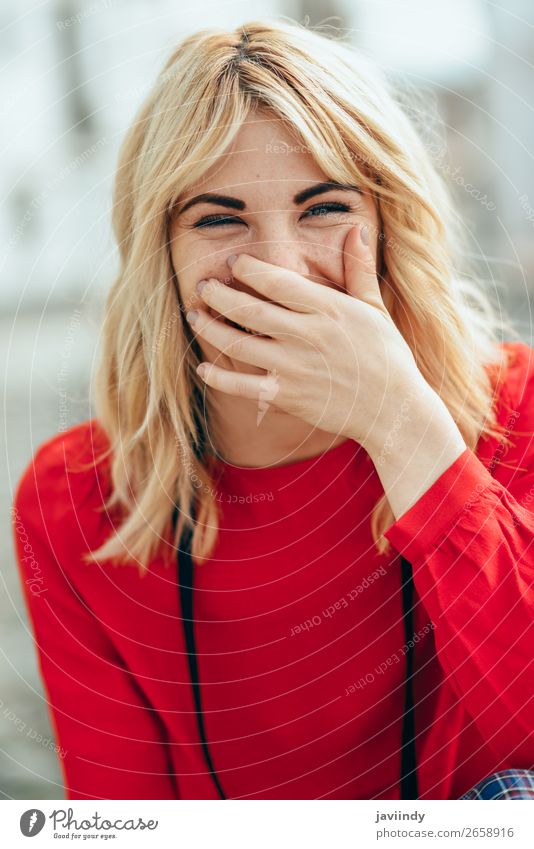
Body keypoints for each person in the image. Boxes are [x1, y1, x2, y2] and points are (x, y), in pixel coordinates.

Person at [11, 19, 534, 801]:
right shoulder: (74, 500)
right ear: (162, 254)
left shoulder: (515, 410)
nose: (278, 268)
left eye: (323, 208)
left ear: (390, 226)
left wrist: (402, 423)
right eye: (219, 218)